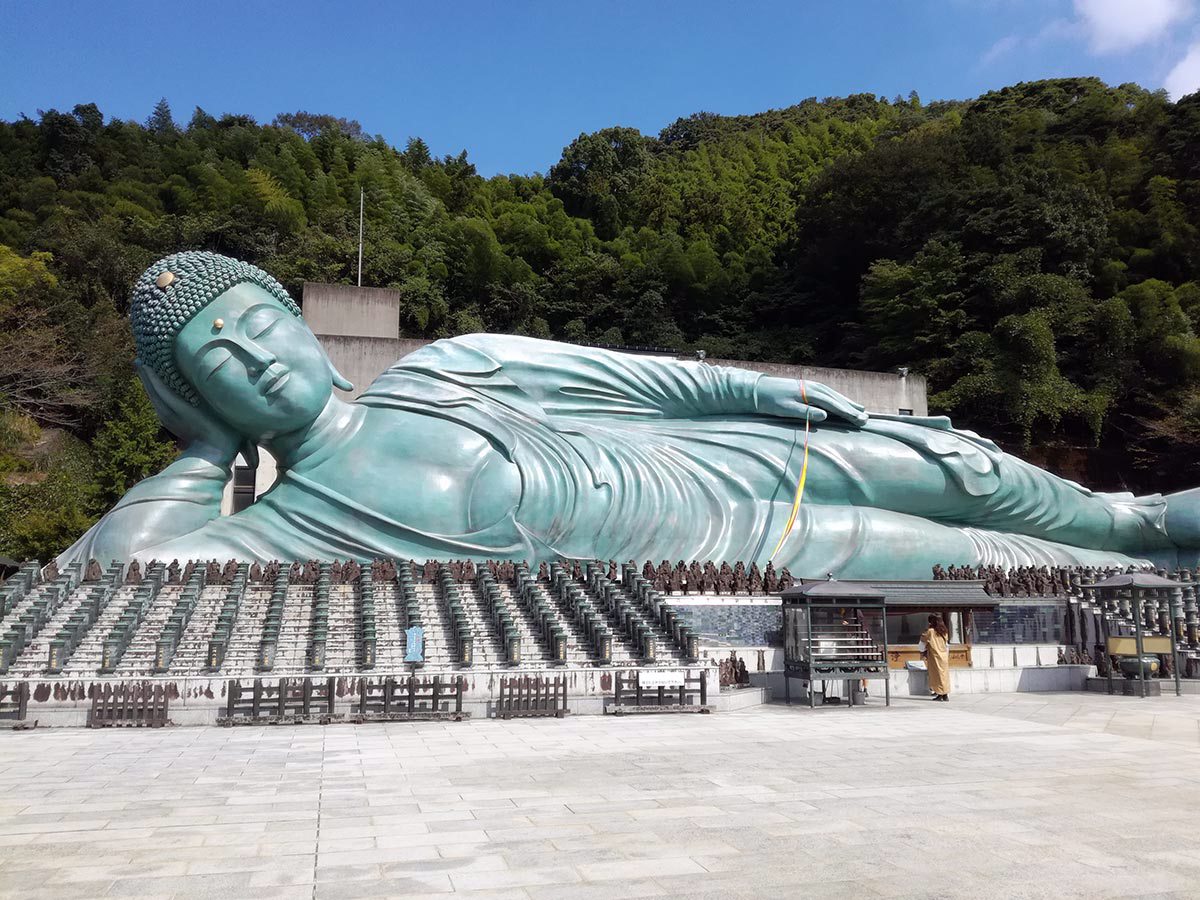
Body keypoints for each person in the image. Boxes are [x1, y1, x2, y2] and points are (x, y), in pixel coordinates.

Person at [56, 251, 1200, 574]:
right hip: (745, 548)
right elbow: (118, 566)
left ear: (301, 324)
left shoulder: (449, 366)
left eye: (257, 325)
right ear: (194, 395)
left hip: (725, 457)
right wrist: (207, 454)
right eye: (216, 366)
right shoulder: (286, 524)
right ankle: (1157, 561)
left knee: (976, 478)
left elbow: (632, 377)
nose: (253, 361)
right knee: (990, 559)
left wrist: (753, 389)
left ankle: (1150, 518)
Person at [921, 614, 952, 702]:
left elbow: (923, 640)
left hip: (935, 656)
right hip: (944, 655)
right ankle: (945, 694)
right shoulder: (944, 632)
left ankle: (939, 693)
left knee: (936, 675)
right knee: (944, 675)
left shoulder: (930, 631)